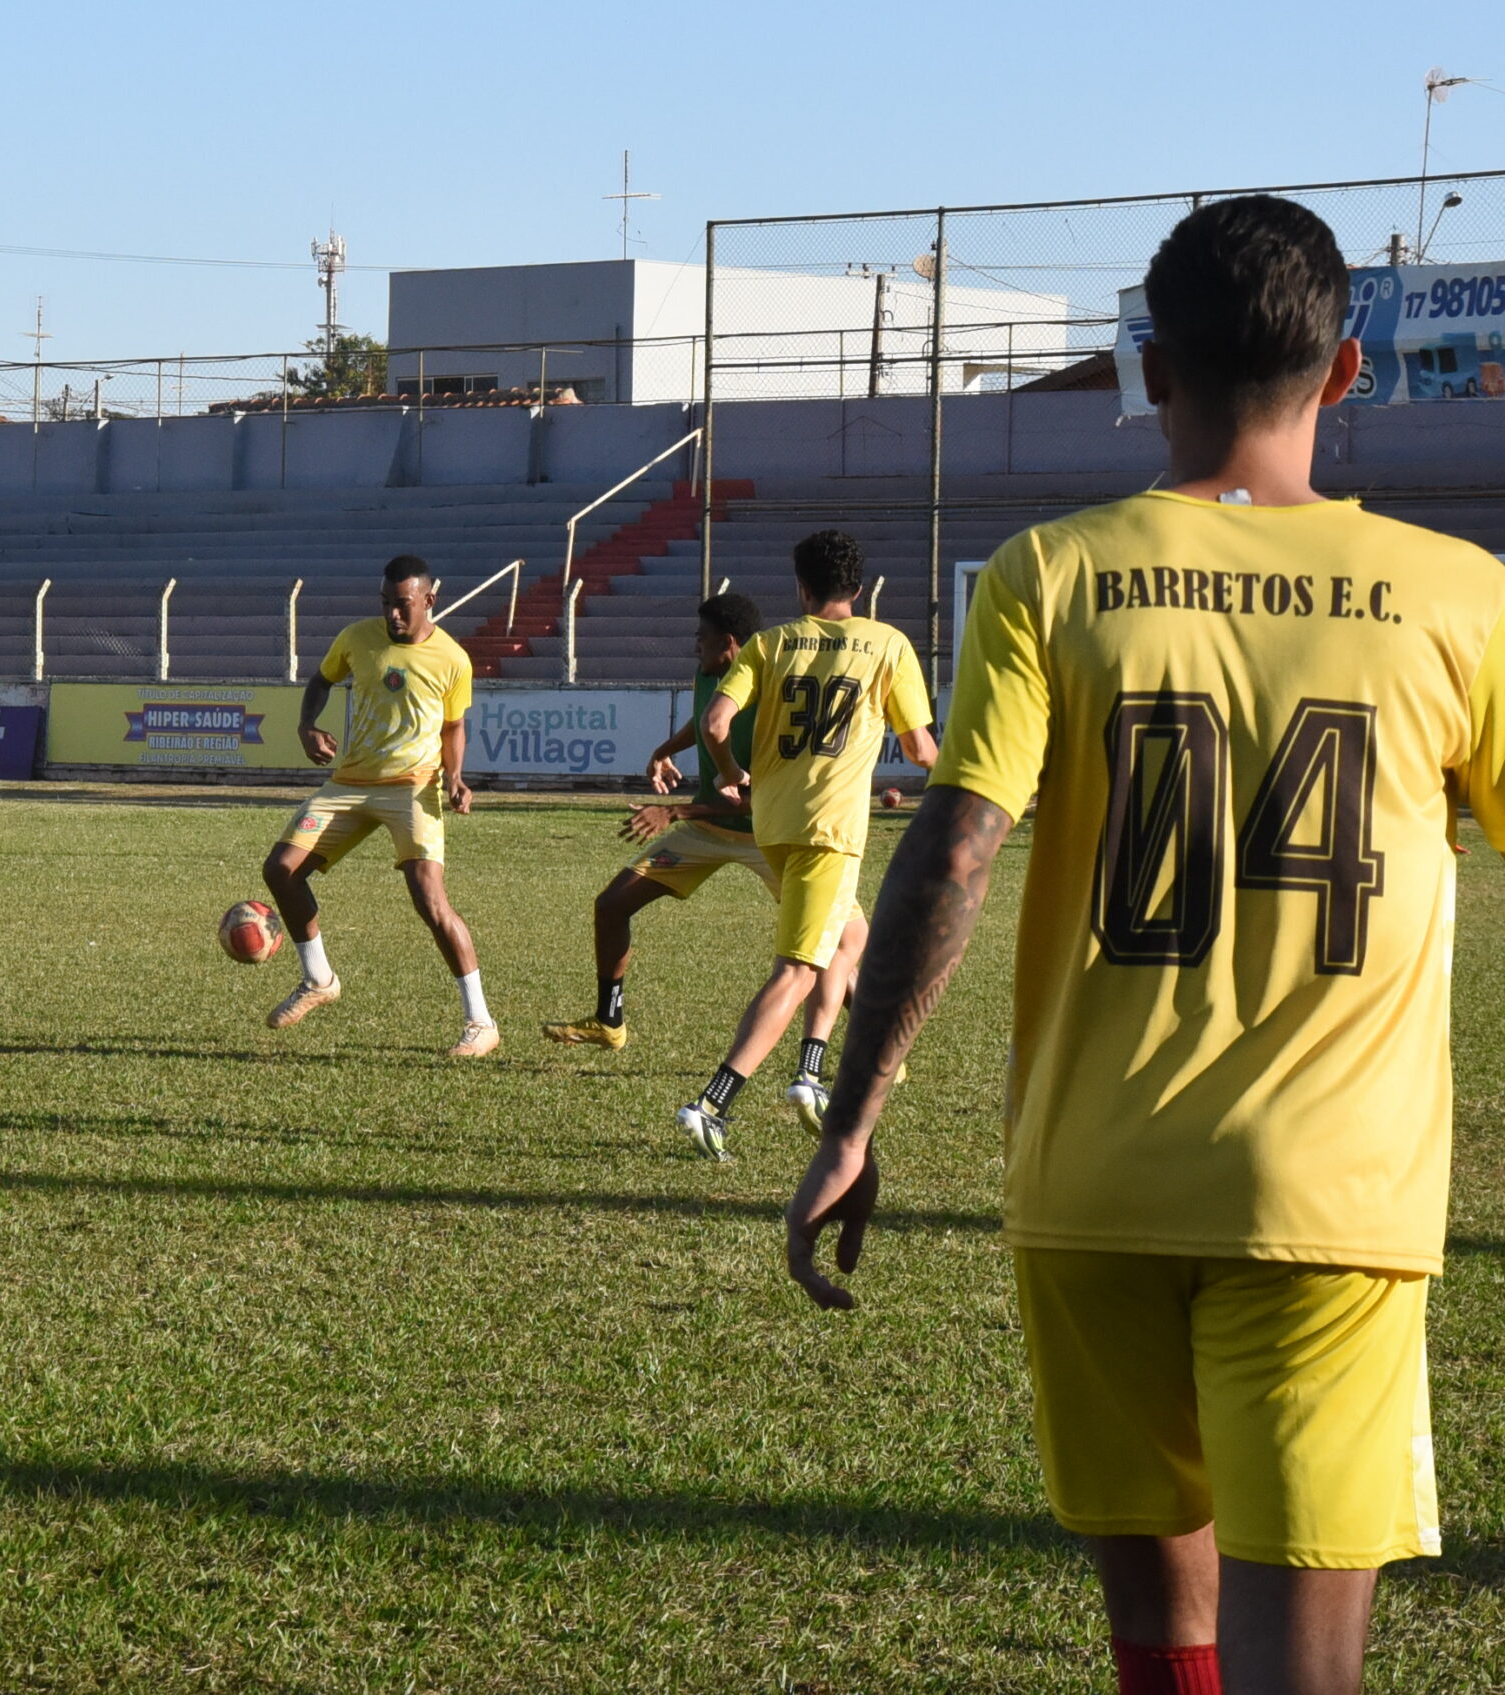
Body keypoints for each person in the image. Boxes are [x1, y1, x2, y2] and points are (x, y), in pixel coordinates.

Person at [785, 195, 1488, 1695]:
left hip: (1093, 1185)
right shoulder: (1462, 597)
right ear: (1348, 372)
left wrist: (852, 1114)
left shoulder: (1058, 571)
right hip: (1326, 1198)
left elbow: (958, 844)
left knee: (1164, 1650)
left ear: (1150, 369)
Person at [675, 530, 937, 1158]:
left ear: (801, 586)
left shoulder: (769, 644)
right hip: (830, 830)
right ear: (857, 586)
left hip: (774, 825)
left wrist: (733, 775)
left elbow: (716, 724)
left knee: (849, 939)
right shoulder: (888, 644)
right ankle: (713, 1103)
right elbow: (921, 750)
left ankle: (811, 1072)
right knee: (797, 969)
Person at [260, 553, 496, 1057]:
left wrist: (455, 777)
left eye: (402, 604)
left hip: (413, 787)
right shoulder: (356, 638)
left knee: (430, 901)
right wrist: (307, 725)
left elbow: (453, 728)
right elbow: (321, 680)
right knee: (281, 869)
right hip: (349, 784)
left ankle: (481, 1021)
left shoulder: (453, 659)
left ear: (430, 600)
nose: (391, 614)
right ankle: (318, 979)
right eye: (386, 603)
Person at [543, 592, 769, 1051]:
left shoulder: (768, 693)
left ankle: (877, 1045)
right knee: (611, 905)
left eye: (701, 639)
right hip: (706, 830)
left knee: (821, 951)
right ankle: (609, 1023)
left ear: (728, 642)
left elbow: (751, 801)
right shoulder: (711, 673)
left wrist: (673, 811)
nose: (694, 646)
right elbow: (704, 720)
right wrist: (665, 751)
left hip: (766, 837)